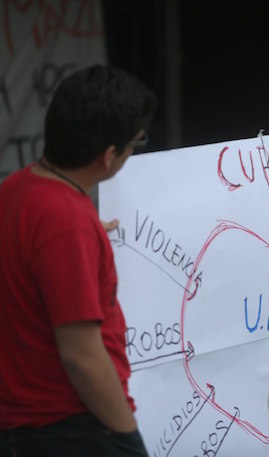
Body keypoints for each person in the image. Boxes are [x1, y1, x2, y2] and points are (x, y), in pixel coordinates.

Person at [0, 65, 157, 456]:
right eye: (134, 144)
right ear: (108, 156)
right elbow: (81, 354)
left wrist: (82, 239)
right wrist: (127, 436)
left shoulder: (17, 187)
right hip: (69, 430)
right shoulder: (65, 222)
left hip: (30, 427)